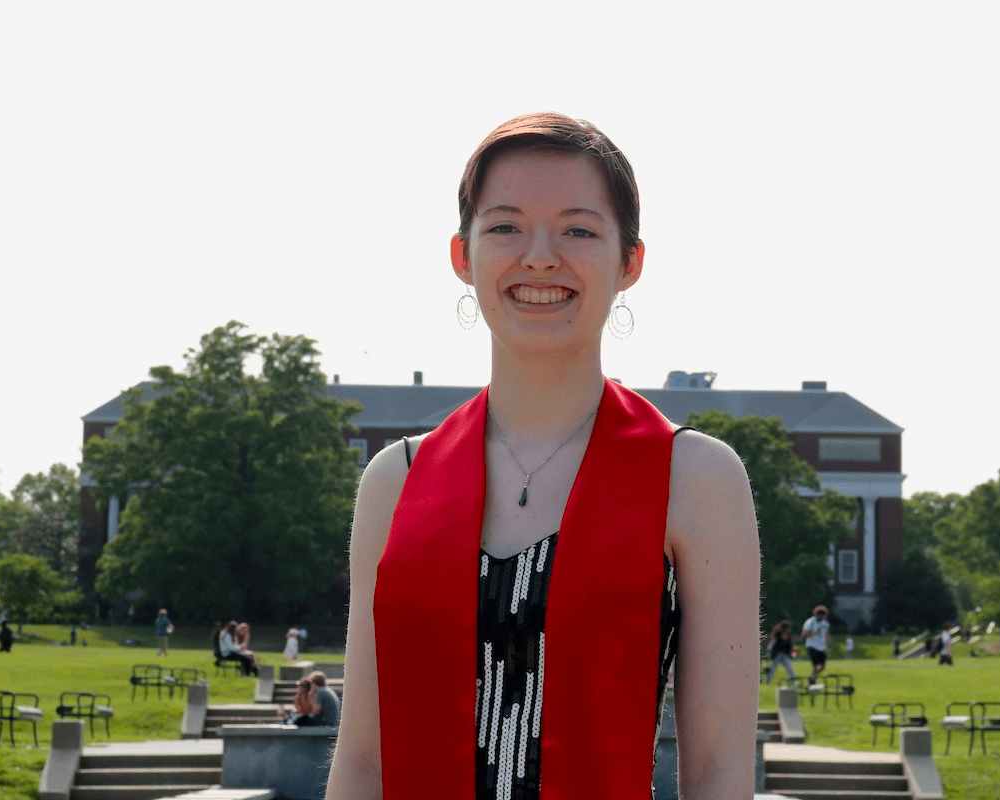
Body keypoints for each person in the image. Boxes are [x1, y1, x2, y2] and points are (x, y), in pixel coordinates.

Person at [326, 112, 761, 800]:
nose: (539, 256)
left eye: (579, 230)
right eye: (504, 226)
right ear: (462, 256)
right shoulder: (397, 482)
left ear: (630, 262)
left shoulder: (696, 479)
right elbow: (361, 763)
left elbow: (719, 771)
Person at [801, 606, 831, 680]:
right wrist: (814, 633)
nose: (821, 617)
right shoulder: (810, 622)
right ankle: (812, 679)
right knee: (816, 665)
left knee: (822, 666)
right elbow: (804, 635)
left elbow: (827, 634)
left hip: (821, 647)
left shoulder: (825, 623)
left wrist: (829, 644)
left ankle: (812, 677)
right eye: (819, 614)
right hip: (812, 646)